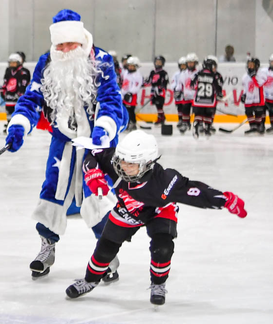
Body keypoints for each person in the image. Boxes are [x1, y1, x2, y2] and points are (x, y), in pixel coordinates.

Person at [4, 9, 128, 280]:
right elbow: (31, 99)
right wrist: (19, 126)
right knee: (52, 191)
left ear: (81, 41)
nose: (65, 49)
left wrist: (102, 133)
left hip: (97, 143)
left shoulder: (101, 60)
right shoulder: (47, 63)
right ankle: (46, 248)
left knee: (97, 195)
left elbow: (111, 100)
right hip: (63, 142)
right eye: (60, 44)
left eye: (70, 44)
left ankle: (106, 255)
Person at [65, 130, 247, 305]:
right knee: (105, 248)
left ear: (147, 163)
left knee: (163, 248)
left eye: (131, 164)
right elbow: (92, 155)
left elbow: (196, 192)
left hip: (160, 210)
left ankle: (158, 284)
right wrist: (93, 173)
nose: (123, 167)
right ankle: (90, 280)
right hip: (129, 208)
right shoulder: (116, 161)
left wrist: (224, 200)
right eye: (122, 161)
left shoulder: (165, 182)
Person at [190, 56, 223, 139]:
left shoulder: (197, 74)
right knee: (208, 115)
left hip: (198, 100)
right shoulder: (214, 76)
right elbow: (217, 87)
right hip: (209, 101)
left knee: (198, 115)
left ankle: (196, 127)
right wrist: (219, 94)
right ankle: (207, 129)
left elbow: (192, 86)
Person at [0, 53, 31, 133]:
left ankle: (23, 127)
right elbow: (5, 82)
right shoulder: (8, 71)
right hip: (10, 96)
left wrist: (20, 94)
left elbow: (24, 84)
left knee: (20, 112)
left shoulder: (24, 72)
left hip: (20, 97)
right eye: (11, 62)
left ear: (19, 62)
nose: (12, 64)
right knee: (9, 112)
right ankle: (10, 125)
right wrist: (2, 91)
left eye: (14, 62)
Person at [241, 57, 267, 135]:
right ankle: (252, 126)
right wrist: (244, 94)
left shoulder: (261, 74)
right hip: (249, 98)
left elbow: (259, 84)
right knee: (248, 112)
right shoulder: (245, 76)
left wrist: (254, 77)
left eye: (252, 65)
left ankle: (258, 126)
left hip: (258, 98)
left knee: (258, 112)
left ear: (256, 66)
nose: (250, 67)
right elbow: (246, 87)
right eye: (249, 65)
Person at [175, 53, 199, 134]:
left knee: (197, 111)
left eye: (192, 62)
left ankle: (198, 124)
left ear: (195, 63)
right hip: (186, 96)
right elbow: (180, 83)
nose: (190, 64)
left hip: (196, 97)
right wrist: (178, 90)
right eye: (188, 62)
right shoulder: (184, 73)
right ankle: (185, 123)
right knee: (185, 109)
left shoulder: (199, 73)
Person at [144, 55, 169, 125]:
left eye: (159, 62)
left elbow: (165, 82)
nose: (158, 63)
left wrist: (160, 89)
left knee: (160, 104)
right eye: (157, 62)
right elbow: (149, 81)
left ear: (162, 63)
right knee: (157, 105)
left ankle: (161, 117)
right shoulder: (152, 72)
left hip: (160, 92)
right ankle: (160, 116)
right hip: (153, 91)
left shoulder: (164, 73)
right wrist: (143, 83)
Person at [121, 56, 143, 131]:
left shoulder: (137, 75)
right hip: (124, 95)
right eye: (129, 65)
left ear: (136, 66)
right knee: (124, 109)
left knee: (130, 110)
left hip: (132, 96)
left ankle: (133, 123)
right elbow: (124, 84)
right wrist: (122, 93)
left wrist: (130, 93)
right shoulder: (126, 73)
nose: (130, 67)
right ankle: (126, 123)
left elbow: (136, 86)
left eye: (132, 66)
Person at [259, 54, 273, 133]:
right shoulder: (264, 71)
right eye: (272, 62)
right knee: (262, 111)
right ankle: (261, 125)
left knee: (272, 113)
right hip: (264, 97)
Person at [171, 56, 187, 127]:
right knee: (179, 107)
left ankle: (186, 120)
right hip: (179, 94)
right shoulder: (176, 74)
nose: (183, 67)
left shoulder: (188, 74)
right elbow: (173, 82)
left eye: (184, 65)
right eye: (181, 65)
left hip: (186, 94)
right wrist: (176, 89)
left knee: (186, 108)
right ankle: (180, 119)